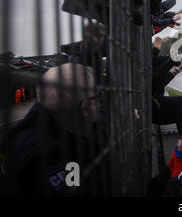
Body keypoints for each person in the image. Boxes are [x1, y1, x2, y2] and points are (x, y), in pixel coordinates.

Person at [0, 63, 109, 196]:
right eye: (96, 98)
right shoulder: (50, 158)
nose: (98, 103)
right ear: (85, 108)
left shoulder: (22, 133)